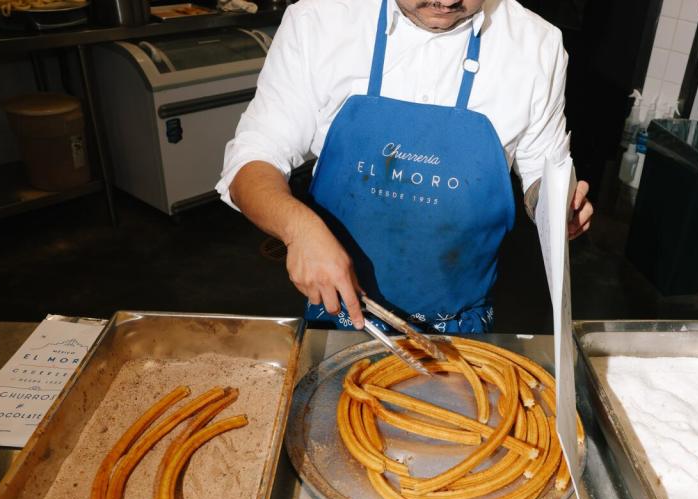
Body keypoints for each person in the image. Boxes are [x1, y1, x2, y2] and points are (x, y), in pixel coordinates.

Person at [218, 0, 593, 333]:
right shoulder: (318, 22)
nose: (447, 1)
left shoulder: (536, 44)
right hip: (340, 312)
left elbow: (542, 167)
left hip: (461, 322)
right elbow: (252, 161)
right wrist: (298, 229)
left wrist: (554, 207)